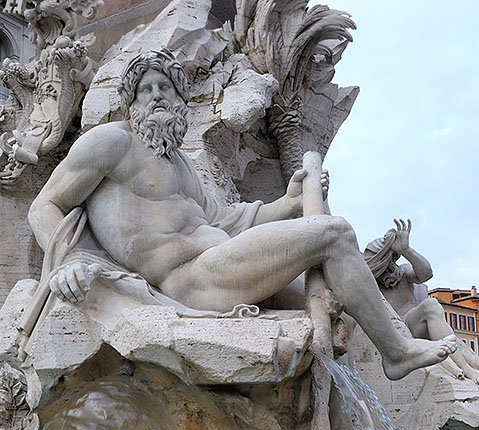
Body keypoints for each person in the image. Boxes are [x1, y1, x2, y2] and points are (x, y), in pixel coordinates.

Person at [27, 49, 456, 381]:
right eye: (146, 88)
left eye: (166, 88)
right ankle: (397, 353)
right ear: (131, 101)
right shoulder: (110, 143)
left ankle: (398, 340)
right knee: (334, 231)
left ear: (181, 101)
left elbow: (229, 222)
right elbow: (43, 205)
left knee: (341, 302)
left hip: (223, 265)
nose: (157, 95)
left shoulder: (183, 167)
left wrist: (288, 203)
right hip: (190, 282)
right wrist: (64, 261)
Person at [364, 219, 479, 383]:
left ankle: (468, 366)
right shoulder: (371, 284)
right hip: (402, 331)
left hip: (424, 324)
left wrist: (407, 250)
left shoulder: (402, 272)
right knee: (431, 305)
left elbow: (426, 273)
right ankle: (466, 370)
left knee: (476, 361)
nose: (388, 268)